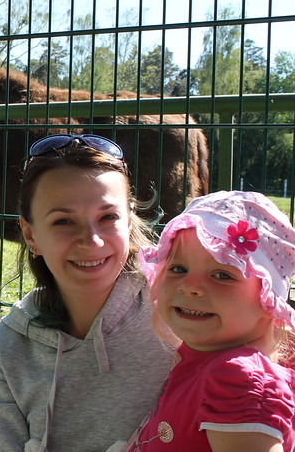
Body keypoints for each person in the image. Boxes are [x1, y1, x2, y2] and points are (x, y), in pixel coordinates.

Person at [0, 134, 175, 451]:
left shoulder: (176, 312)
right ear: (31, 235)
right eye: (64, 221)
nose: (92, 241)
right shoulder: (7, 347)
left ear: (129, 221)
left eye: (108, 217)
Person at [126, 190, 295, 451]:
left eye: (222, 274)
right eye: (178, 269)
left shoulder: (238, 377)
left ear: (267, 302)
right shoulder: (203, 360)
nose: (190, 287)